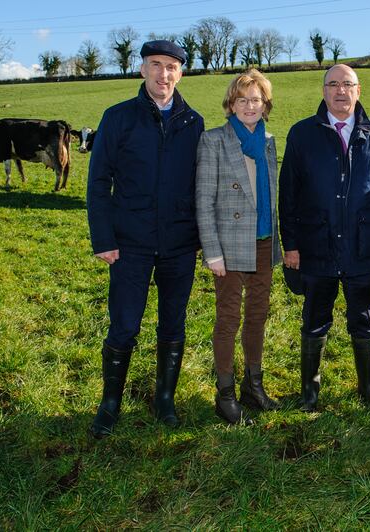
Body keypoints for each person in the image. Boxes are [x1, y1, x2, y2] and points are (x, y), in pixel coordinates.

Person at [86, 40, 204, 438]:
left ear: (180, 73)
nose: (163, 73)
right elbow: (98, 182)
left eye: (171, 66)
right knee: (124, 324)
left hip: (179, 243)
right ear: (142, 70)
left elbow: (202, 185)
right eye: (156, 65)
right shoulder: (118, 118)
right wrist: (103, 238)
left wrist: (204, 239)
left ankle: (164, 399)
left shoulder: (194, 122)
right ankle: (110, 403)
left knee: (173, 323)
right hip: (129, 243)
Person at [279, 64, 370, 413]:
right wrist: (293, 244)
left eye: (347, 84)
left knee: (365, 318)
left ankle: (369, 391)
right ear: (323, 90)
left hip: (363, 248)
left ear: (359, 91)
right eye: (333, 84)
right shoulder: (302, 134)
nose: (340, 91)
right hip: (316, 245)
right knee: (314, 318)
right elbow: (289, 194)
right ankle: (309, 393)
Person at [196, 69, 282, 425]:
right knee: (229, 318)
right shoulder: (213, 140)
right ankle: (226, 395)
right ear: (231, 105)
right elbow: (203, 200)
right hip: (229, 247)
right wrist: (212, 252)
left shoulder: (269, 140)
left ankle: (254, 385)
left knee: (258, 315)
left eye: (256, 100)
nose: (249, 106)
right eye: (242, 100)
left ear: (265, 107)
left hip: (263, 241)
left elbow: (273, 196)